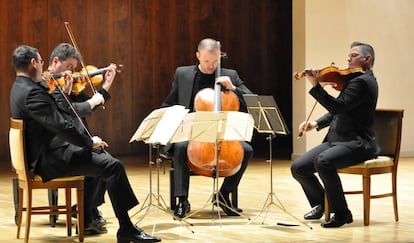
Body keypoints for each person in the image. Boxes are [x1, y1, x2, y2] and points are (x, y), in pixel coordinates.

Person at [9, 45, 161, 242]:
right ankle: (126, 229)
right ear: (33, 63)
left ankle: (91, 217)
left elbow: (63, 114)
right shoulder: (33, 93)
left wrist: (65, 92)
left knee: (102, 161)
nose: (42, 65)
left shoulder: (20, 87)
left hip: (46, 152)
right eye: (40, 61)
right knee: (112, 165)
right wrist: (89, 142)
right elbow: (62, 126)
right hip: (46, 160)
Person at [161, 38, 253, 218]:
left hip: (222, 134)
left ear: (220, 57)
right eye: (206, 61)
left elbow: (252, 98)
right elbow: (169, 102)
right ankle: (182, 200)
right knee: (180, 148)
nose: (211, 66)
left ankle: (223, 195)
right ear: (198, 56)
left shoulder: (230, 75)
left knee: (247, 150)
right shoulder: (183, 74)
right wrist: (168, 118)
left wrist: (233, 88)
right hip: (191, 132)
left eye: (215, 61)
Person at [290, 41, 379, 228]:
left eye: (354, 55)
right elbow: (339, 111)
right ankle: (322, 204)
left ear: (367, 58)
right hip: (338, 140)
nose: (348, 58)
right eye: (349, 55)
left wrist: (316, 86)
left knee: (324, 161)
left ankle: (342, 213)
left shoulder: (363, 82)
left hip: (358, 142)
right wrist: (316, 123)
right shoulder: (354, 80)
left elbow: (338, 106)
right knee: (298, 167)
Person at [46, 43, 113, 233]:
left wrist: (106, 86)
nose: (73, 74)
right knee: (101, 160)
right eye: (69, 68)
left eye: (74, 69)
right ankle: (88, 212)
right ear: (55, 62)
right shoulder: (47, 87)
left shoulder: (68, 86)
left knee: (101, 154)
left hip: (69, 142)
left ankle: (88, 208)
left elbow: (85, 106)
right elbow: (74, 111)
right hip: (56, 149)